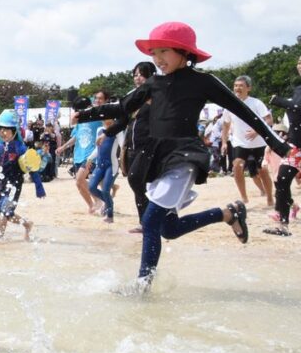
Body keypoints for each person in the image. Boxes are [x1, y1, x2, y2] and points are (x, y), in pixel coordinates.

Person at [75, 22, 291, 289]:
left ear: (183, 52)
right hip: (157, 159)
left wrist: (278, 144)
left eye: (163, 51)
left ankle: (142, 285)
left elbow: (245, 112)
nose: (157, 59)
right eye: (153, 53)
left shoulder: (203, 81)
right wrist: (85, 114)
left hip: (185, 155)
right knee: (168, 229)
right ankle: (227, 214)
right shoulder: (153, 84)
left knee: (151, 221)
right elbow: (122, 106)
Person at [104, 61, 157, 232]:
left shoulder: (158, 94)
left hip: (151, 146)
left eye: (142, 74)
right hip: (132, 147)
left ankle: (157, 218)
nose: (138, 77)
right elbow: (124, 120)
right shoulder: (132, 97)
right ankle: (145, 222)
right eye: (135, 74)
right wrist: (107, 132)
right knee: (137, 184)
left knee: (142, 181)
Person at [0, 111, 46, 240]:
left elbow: (32, 167)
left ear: (14, 130)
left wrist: (39, 186)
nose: (2, 132)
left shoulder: (20, 148)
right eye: (0, 129)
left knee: (4, 211)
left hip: (14, 185)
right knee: (5, 213)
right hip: (0, 185)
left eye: (6, 129)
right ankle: (27, 224)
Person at [221, 75, 274, 206]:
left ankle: (269, 196)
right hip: (240, 142)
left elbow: (269, 120)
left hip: (259, 142)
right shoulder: (229, 104)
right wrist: (223, 142)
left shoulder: (256, 103)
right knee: (237, 166)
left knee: (262, 170)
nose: (237, 88)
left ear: (248, 88)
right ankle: (244, 197)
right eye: (235, 85)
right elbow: (226, 125)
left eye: (241, 86)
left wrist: (257, 131)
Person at [265, 55, 301, 236]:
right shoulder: (298, 89)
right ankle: (283, 224)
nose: (300, 65)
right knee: (282, 179)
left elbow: (297, 106)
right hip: (296, 146)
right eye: (299, 62)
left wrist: (278, 100)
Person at [58, 92, 105, 213]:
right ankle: (91, 205)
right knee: (79, 184)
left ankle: (99, 199)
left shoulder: (96, 117)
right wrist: (63, 147)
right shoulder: (80, 122)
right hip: (78, 155)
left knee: (80, 179)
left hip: (91, 155)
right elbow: (75, 137)